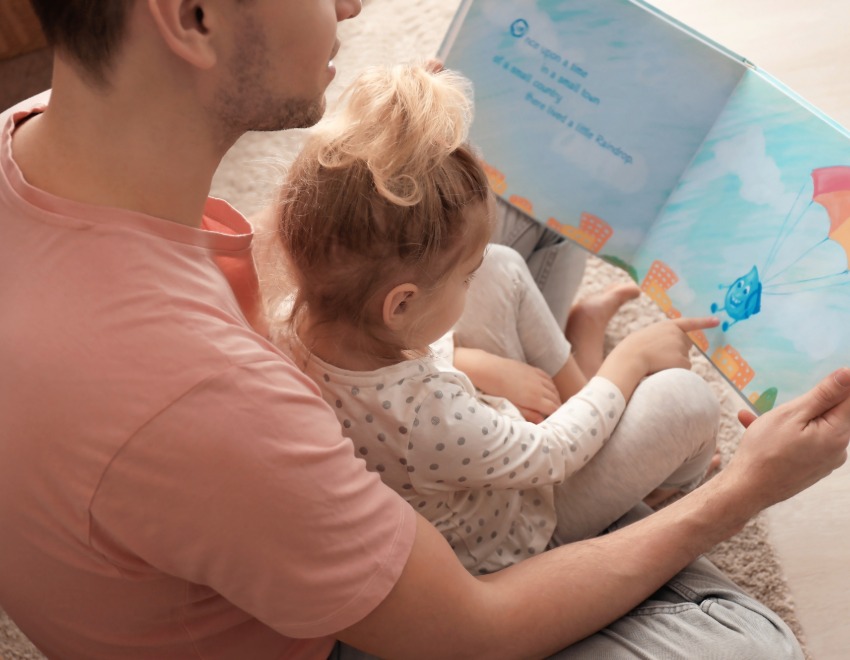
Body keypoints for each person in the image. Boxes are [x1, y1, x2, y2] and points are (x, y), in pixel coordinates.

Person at [0, 1, 846, 658]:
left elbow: (276, 255)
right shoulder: (205, 398)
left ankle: (604, 469)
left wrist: (396, 167)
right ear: (193, 16)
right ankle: (623, 504)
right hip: (371, 626)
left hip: (347, 451)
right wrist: (746, 491)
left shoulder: (40, 136)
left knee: (480, 186)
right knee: (747, 644)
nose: (353, 9)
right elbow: (472, 629)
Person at [272, 63, 721, 573]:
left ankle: (584, 377)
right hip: (526, 525)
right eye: (464, 278)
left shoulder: (296, 318)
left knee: (502, 266)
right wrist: (632, 361)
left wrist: (473, 361)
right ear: (399, 305)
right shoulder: (427, 415)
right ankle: (656, 495)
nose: (469, 283)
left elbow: (405, 362)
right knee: (686, 401)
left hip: (485, 447)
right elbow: (552, 451)